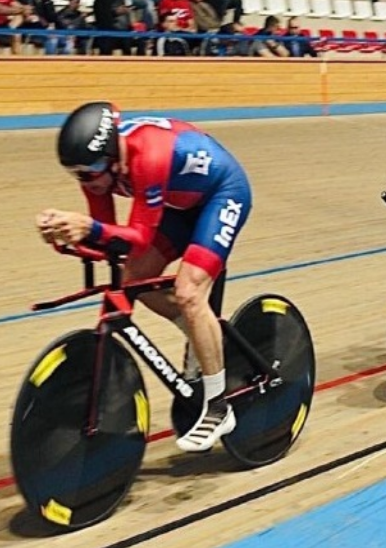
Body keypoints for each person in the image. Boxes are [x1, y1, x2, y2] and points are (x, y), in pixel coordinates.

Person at [36, 103, 252, 451]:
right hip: (177, 204)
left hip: (222, 195)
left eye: (90, 170)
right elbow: (111, 242)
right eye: (77, 174)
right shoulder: (96, 172)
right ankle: (198, 331)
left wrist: (87, 227)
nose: (87, 181)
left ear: (111, 154)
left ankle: (218, 405)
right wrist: (66, 235)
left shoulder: (148, 155)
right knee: (130, 276)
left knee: (189, 291)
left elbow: (137, 235)